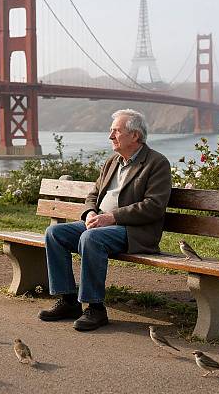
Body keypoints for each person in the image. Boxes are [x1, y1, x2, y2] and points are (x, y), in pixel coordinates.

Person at [38, 109, 172, 331]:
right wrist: (91, 213)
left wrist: (112, 217)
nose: (110, 136)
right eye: (111, 131)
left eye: (116, 132)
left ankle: (95, 308)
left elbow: (154, 206)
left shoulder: (156, 163)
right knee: (55, 233)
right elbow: (93, 194)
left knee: (91, 238)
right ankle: (69, 301)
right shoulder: (112, 161)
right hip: (101, 224)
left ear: (135, 136)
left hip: (134, 231)